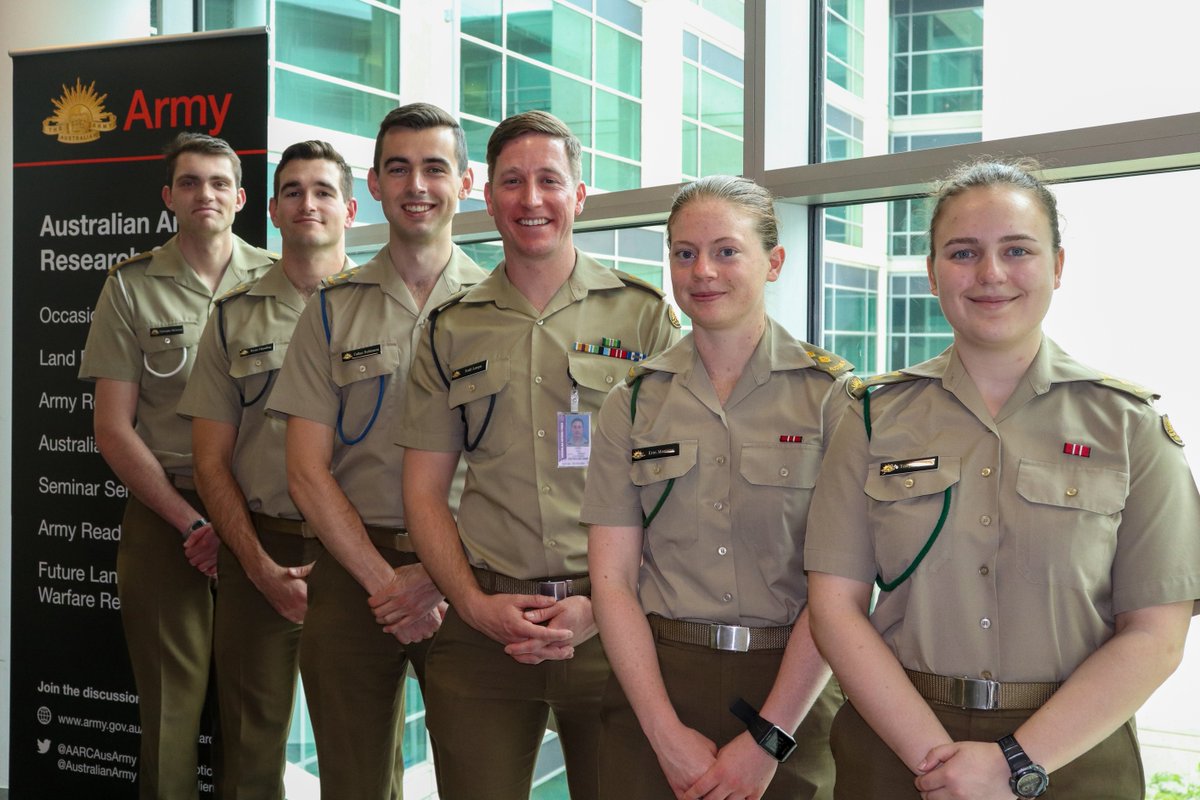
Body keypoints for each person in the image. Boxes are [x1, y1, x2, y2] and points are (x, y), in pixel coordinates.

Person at [805, 159, 1200, 800]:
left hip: (1076, 753)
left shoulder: (1131, 427)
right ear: (932, 273)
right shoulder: (871, 417)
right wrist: (937, 762)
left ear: (1058, 266)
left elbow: (1157, 633)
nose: (990, 274)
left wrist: (1013, 762)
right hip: (898, 749)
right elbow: (835, 607)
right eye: (963, 253)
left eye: (1017, 250)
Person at [398, 110, 680, 800]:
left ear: (578, 195)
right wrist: (468, 602)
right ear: (488, 197)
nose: (531, 200)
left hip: (616, 628)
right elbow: (424, 493)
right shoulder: (450, 327)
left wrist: (601, 605)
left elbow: (678, 490)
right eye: (512, 182)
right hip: (483, 628)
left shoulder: (642, 316)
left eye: (549, 181)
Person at [582, 175, 849, 800]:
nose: (703, 271)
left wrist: (770, 739)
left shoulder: (833, 398)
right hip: (657, 679)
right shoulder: (633, 402)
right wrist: (661, 730)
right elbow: (612, 581)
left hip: (794, 684)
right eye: (684, 253)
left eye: (727, 251)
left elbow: (842, 590)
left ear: (774, 262)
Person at [266, 103, 485, 800]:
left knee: (481, 777)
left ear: (465, 181)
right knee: (353, 782)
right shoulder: (333, 308)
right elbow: (305, 469)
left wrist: (437, 573)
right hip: (353, 574)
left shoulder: (502, 306)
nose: (416, 184)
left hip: (472, 577)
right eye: (399, 169)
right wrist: (385, 581)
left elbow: (525, 470)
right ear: (376, 183)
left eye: (434, 167)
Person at [78, 131, 276, 800]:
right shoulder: (131, 286)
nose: (205, 194)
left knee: (256, 721)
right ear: (169, 197)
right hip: (170, 523)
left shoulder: (280, 282)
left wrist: (233, 525)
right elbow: (112, 428)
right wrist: (196, 522)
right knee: (168, 717)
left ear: (242, 198)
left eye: (219, 182)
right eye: (190, 182)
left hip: (262, 523)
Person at [177, 140, 357, 800]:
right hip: (262, 550)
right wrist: (254, 565)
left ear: (350, 208)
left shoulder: (386, 310)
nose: (308, 203)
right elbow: (209, 460)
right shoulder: (233, 317)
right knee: (249, 759)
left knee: (361, 762)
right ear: (273, 211)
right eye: (294, 192)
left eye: (323, 191)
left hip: (362, 555)